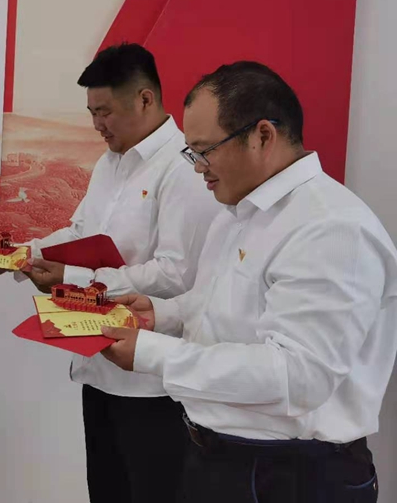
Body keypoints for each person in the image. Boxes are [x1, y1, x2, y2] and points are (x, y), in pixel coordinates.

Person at [102, 61, 397, 503]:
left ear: (262, 136)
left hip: (291, 474)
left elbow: (297, 376)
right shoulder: (236, 211)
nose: (198, 168)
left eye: (205, 150)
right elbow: (217, 305)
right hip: (214, 454)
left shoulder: (332, 228)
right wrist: (160, 314)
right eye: (191, 153)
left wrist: (152, 354)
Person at [0, 44, 219, 503]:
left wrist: (74, 277)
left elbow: (176, 274)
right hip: (98, 364)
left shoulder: (182, 169)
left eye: (105, 112)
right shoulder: (109, 163)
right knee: (106, 490)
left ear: (145, 99)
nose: (97, 124)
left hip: (152, 381)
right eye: (92, 112)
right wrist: (23, 255)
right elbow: (80, 231)